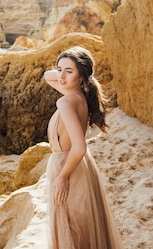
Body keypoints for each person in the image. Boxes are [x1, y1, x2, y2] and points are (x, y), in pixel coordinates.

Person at [43, 46, 124, 249]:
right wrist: (69, 70)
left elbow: (79, 147)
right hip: (81, 167)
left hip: (68, 167)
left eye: (69, 71)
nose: (60, 75)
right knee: (82, 227)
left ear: (82, 76)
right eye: (59, 68)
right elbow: (47, 75)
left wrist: (62, 176)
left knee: (72, 231)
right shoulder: (79, 96)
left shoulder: (66, 102)